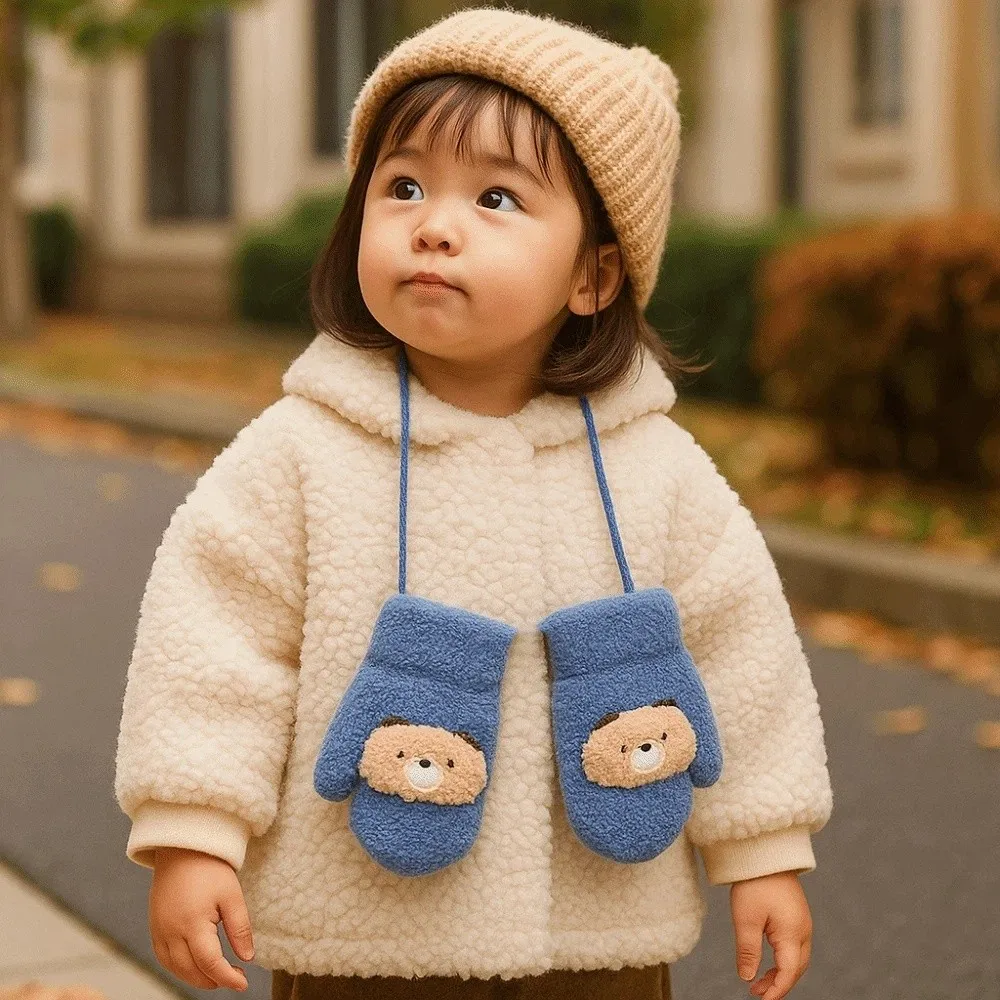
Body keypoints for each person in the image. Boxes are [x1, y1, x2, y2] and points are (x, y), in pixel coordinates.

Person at [113, 7, 833, 1000]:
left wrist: (762, 846)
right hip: (360, 938)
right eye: (401, 185)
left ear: (593, 274)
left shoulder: (654, 468)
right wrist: (193, 831)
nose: (433, 223)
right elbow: (214, 641)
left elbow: (740, 656)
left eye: (496, 196)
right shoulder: (301, 452)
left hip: (600, 935)